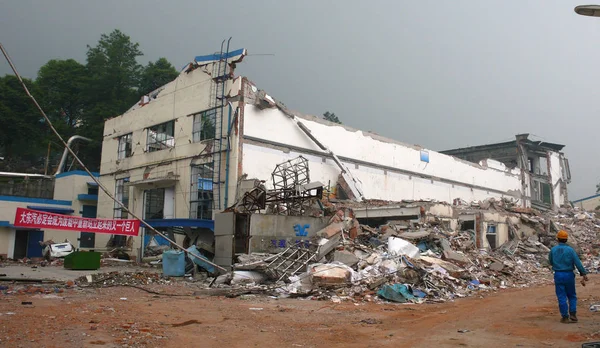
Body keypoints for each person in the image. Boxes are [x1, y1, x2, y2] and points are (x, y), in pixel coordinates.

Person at [548, 230, 588, 323]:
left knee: (561, 295)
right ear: (566, 239)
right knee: (572, 295)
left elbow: (550, 261)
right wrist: (583, 273)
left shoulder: (553, 250)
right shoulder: (570, 250)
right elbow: (577, 262)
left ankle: (565, 317)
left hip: (558, 274)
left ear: (557, 239)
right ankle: (573, 314)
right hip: (569, 274)